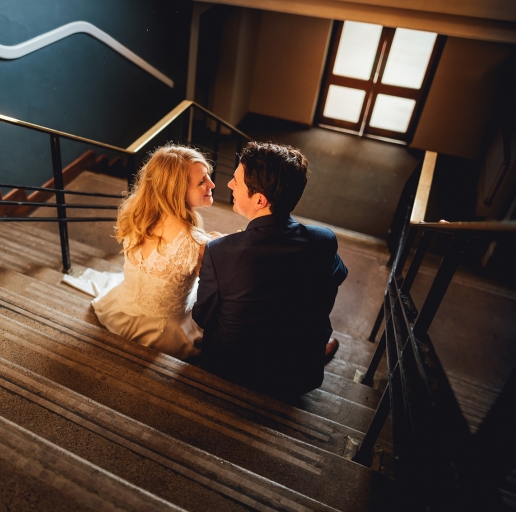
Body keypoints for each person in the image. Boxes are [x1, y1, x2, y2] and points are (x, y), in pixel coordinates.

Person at [193, 142, 348, 400]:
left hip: (230, 374)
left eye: (236, 181)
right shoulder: (323, 240)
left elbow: (203, 318)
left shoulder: (219, 252)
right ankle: (312, 352)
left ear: (260, 200)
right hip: (298, 377)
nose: (229, 185)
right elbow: (333, 282)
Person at [66, 144, 217, 360]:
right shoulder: (195, 243)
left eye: (208, 177)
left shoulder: (137, 216)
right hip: (164, 332)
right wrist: (216, 247)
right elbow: (215, 285)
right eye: (202, 181)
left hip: (122, 308)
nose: (211, 184)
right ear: (176, 191)